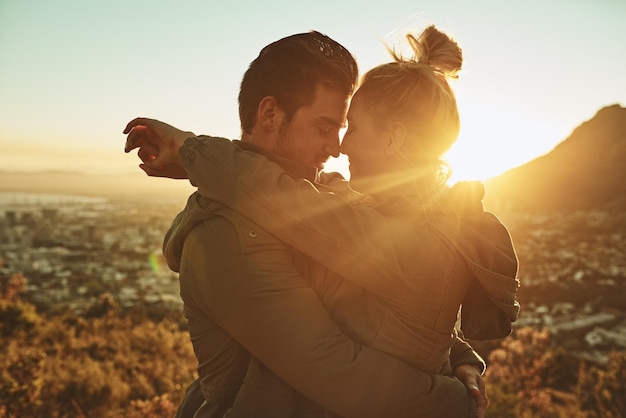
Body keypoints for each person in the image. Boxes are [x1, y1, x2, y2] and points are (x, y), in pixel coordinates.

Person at [125, 29, 491, 417]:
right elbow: (334, 371)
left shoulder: (330, 199)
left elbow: (391, 298)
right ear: (269, 114)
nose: (337, 148)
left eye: (345, 127)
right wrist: (457, 402)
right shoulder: (223, 233)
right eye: (324, 127)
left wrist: (453, 352)